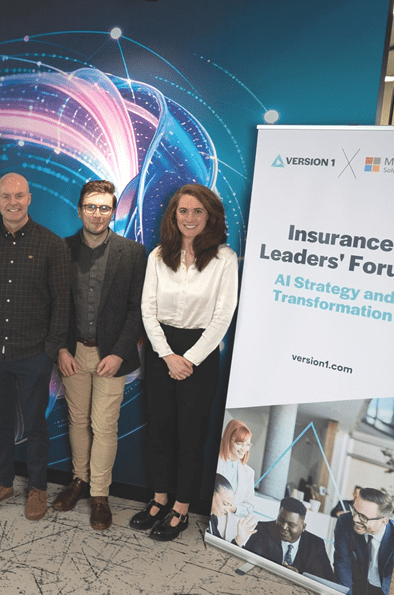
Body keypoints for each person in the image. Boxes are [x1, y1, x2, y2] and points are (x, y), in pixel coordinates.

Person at [129, 183, 238, 541]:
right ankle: (159, 500)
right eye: (183, 211)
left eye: (197, 212)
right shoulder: (159, 255)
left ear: (210, 217)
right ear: (173, 216)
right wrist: (166, 355)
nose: (189, 218)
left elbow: (223, 317)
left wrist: (187, 359)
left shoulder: (224, 259)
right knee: (159, 428)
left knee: (191, 435)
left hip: (201, 353)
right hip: (162, 349)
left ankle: (181, 508)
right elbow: (148, 309)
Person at [0, 172, 71, 521]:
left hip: (33, 355)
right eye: (6, 197)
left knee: (36, 426)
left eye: (19, 196)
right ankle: (3, 482)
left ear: (29, 199)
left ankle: (38, 488)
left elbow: (61, 304)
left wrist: (50, 351)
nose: (13, 202)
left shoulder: (52, 245)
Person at [52, 179, 146, 530]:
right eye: (90, 207)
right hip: (73, 353)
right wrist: (61, 347)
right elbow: (56, 305)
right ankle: (78, 481)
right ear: (79, 210)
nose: (96, 214)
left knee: (104, 426)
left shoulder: (133, 253)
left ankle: (100, 495)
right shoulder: (61, 249)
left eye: (104, 207)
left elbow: (137, 310)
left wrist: (120, 354)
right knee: (77, 422)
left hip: (112, 357)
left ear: (113, 211)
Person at [235, 497, 334, 581]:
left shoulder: (316, 544)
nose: (284, 527)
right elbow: (248, 566)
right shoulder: (263, 530)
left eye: (291, 524)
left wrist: (299, 577)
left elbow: (326, 580)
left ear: (303, 527)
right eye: (281, 520)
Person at [334, 487, 394, 595]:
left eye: (363, 517)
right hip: (357, 586)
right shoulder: (344, 522)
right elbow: (343, 564)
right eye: (354, 510)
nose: (355, 519)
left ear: (383, 522)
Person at [215, 418, 256, 538]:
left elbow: (250, 507)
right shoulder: (217, 461)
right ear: (228, 440)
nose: (244, 449)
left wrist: (234, 508)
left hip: (229, 530)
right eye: (239, 444)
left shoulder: (248, 473)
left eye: (247, 445)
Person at [207, 474, 236, 538]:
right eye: (225, 504)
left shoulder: (214, 519)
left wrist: (238, 540)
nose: (227, 510)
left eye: (230, 505)